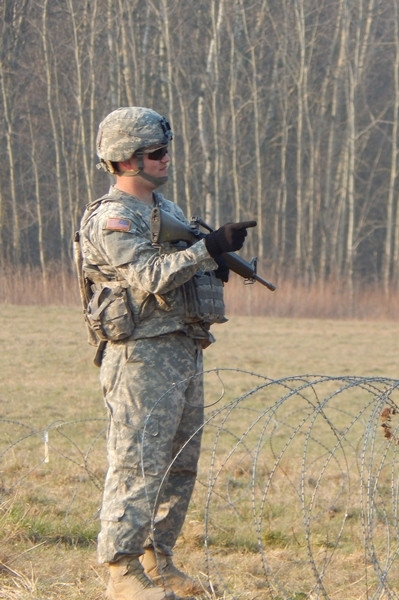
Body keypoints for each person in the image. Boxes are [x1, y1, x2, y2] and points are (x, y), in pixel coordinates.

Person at [78, 106, 256, 600]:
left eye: (164, 150)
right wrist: (208, 248)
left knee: (179, 462)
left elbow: (177, 268)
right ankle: (121, 569)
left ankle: (159, 559)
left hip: (182, 348)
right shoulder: (116, 216)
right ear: (126, 160)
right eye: (155, 153)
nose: (165, 159)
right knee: (138, 463)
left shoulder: (167, 210)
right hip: (140, 355)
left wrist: (212, 265)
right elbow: (147, 277)